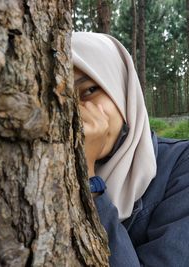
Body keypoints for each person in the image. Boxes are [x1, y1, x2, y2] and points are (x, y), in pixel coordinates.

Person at [72, 32, 189, 267]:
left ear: (121, 90)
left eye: (89, 90)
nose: (77, 115)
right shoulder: (45, 172)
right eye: (65, 101)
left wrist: (87, 179)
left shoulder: (179, 165)